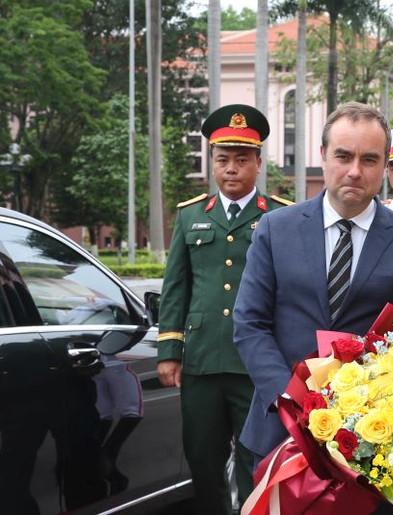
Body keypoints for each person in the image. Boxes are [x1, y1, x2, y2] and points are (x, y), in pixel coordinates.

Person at [233, 102, 393, 467]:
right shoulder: (275, 229)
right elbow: (249, 324)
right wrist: (290, 399)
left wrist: (365, 409)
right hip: (279, 430)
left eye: (369, 160)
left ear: (384, 165)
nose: (354, 171)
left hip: (372, 441)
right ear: (323, 155)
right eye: (343, 156)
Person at [156, 104, 291, 515]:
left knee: (257, 458)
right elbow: (176, 286)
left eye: (241, 159)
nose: (231, 169)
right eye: (222, 159)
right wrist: (168, 352)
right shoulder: (191, 215)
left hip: (256, 364)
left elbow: (288, 293)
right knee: (202, 458)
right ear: (212, 163)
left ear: (258, 163)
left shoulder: (281, 216)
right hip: (200, 361)